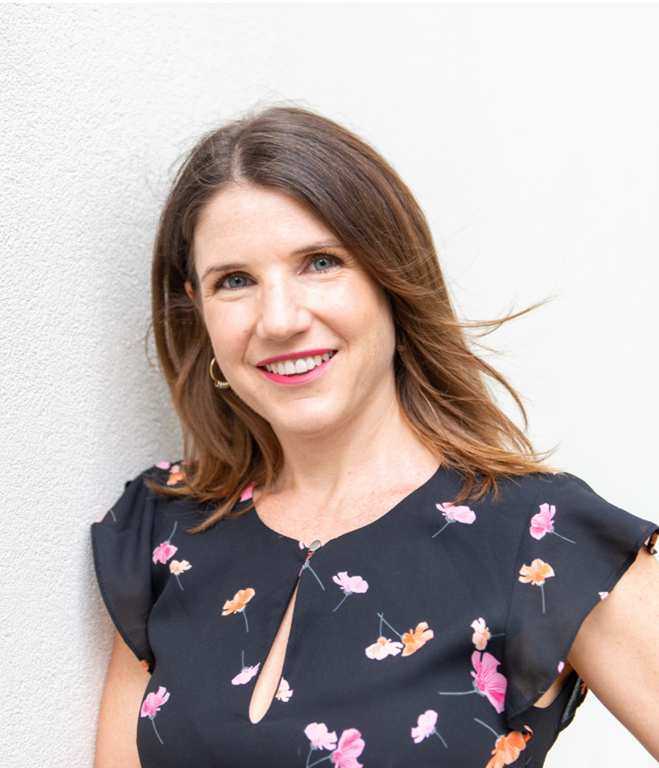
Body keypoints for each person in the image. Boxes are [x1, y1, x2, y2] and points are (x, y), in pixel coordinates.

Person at [92, 107, 659, 768]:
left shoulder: (542, 537)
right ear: (198, 308)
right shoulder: (162, 525)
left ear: (391, 277)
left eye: (320, 262)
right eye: (235, 281)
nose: (278, 319)